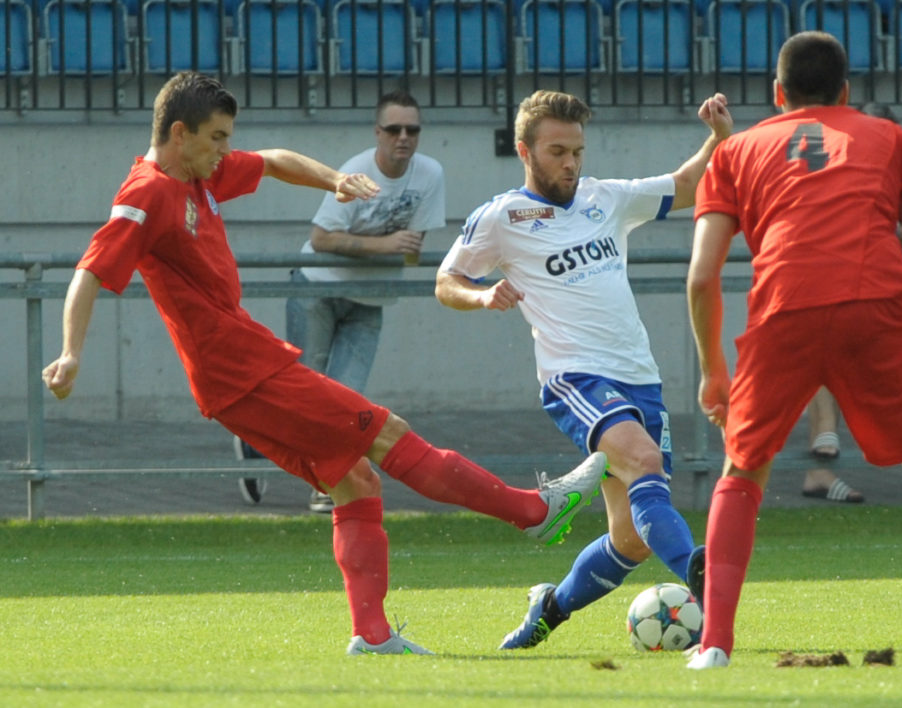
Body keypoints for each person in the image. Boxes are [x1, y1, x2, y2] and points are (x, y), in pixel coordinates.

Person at [40, 72, 607, 657]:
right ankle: (532, 511)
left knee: (354, 479)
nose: (226, 151)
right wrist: (71, 352)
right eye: (217, 138)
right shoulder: (147, 193)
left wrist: (335, 180)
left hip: (243, 369)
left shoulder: (197, 174)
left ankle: (373, 636)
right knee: (387, 433)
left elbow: (273, 161)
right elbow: (90, 270)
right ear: (180, 134)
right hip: (241, 373)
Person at [684, 33, 902, 669]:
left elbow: (701, 277)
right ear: (846, 91)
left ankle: (713, 645)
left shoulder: (736, 151)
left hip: (782, 311)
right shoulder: (890, 137)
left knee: (741, 473)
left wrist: (711, 372)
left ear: (777, 94)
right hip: (874, 307)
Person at [435, 89, 733, 649]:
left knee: (631, 539)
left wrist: (717, 138)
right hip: (575, 379)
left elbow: (687, 185)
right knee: (643, 460)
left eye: (577, 151)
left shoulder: (607, 198)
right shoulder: (502, 216)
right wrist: (482, 295)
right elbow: (446, 281)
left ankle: (547, 610)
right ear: (525, 151)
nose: (570, 163)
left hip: (639, 377)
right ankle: (707, 583)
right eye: (557, 152)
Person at [236, 90, 446, 514]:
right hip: (317, 288)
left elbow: (411, 248)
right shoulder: (356, 171)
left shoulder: (430, 174)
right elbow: (320, 238)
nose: (403, 138)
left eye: (412, 130)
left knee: (347, 400)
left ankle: (325, 485)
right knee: (305, 394)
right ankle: (255, 441)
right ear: (377, 133)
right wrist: (384, 245)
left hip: (370, 299)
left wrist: (407, 254)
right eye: (394, 129)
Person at [800, 102, 902, 505]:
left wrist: (876, 228)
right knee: (822, 358)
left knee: (868, 375)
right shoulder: (829, 163)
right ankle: (818, 464)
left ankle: (823, 468)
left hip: (874, 290)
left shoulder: (899, 170)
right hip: (823, 282)